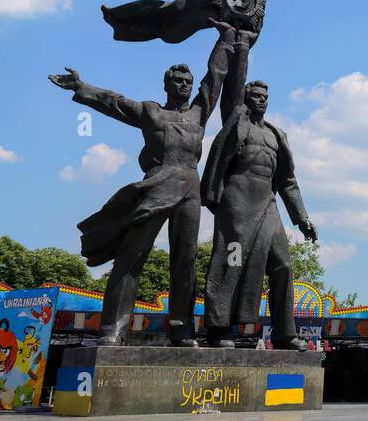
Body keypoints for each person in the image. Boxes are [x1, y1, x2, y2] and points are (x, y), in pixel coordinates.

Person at [48, 20, 237, 346]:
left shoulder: (198, 114)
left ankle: (181, 329)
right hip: (158, 182)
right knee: (133, 255)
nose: (183, 84)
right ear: (166, 84)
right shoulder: (151, 112)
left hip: (190, 187)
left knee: (185, 261)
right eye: (177, 80)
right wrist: (82, 87)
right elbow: (115, 102)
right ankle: (113, 329)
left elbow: (216, 75)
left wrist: (226, 37)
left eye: (187, 82)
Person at [201, 41, 318, 351]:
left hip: (268, 206)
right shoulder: (236, 125)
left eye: (265, 97)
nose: (262, 101)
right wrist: (240, 48)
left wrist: (302, 219)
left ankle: (284, 333)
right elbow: (234, 87)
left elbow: (288, 180)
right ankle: (220, 329)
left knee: (283, 265)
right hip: (237, 207)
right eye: (256, 96)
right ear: (246, 99)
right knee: (233, 262)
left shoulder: (277, 134)